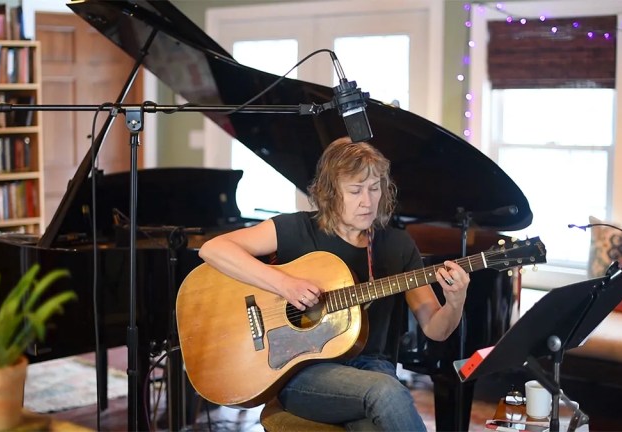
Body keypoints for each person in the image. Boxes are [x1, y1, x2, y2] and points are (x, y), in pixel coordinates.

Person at [198, 136, 470, 431]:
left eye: (374, 188)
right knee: (386, 392)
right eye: (355, 191)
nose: (367, 202)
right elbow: (213, 249)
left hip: (372, 368)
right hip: (303, 373)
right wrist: (284, 284)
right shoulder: (296, 229)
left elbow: (435, 329)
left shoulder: (397, 245)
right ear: (330, 193)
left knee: (376, 413)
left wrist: (456, 301)